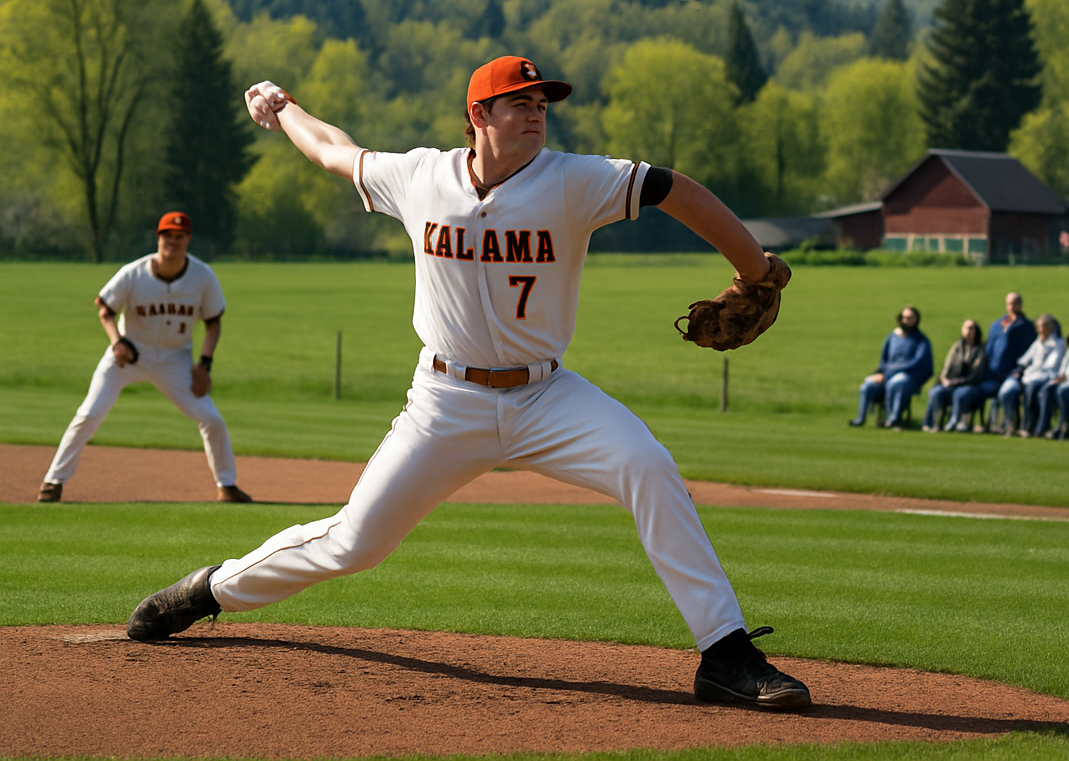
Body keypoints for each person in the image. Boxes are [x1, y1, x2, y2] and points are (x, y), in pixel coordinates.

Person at [124, 56, 811, 711]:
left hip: (548, 396)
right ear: (478, 113)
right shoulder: (422, 177)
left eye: (543, 103)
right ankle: (209, 590)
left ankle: (725, 655)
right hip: (446, 401)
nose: (538, 112)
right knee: (356, 543)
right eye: (521, 102)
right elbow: (337, 151)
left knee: (648, 466)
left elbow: (671, 187)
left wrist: (756, 270)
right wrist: (285, 111)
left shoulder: (576, 179)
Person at [37, 212, 250, 504]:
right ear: (158, 238)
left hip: (175, 360)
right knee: (89, 414)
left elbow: (213, 322)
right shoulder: (134, 273)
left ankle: (227, 486)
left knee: (211, 419)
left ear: (188, 240)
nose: (172, 242)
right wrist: (117, 342)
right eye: (167, 236)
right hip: (129, 355)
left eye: (179, 237)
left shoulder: (203, 276)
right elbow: (105, 309)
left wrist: (204, 365)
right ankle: (53, 482)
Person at [952, 292, 1035, 431]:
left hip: (1013, 374)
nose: (1011, 306)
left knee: (1007, 393)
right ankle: (968, 422)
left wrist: (1019, 372)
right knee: (974, 391)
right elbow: (989, 349)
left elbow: (1029, 353)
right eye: (1008, 303)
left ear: (1020, 304)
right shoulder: (997, 325)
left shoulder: (1026, 327)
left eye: (1014, 303)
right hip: (994, 373)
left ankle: (1008, 425)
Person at [850, 306, 932, 429]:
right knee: (867, 386)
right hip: (887, 375)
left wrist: (891, 372)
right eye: (903, 317)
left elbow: (917, 363)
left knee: (896, 382)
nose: (905, 321)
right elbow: (883, 359)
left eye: (909, 318)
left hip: (908, 377)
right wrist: (880, 373)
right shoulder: (892, 337)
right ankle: (860, 419)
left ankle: (893, 419)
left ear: (916, 320)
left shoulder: (921, 340)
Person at [997, 314, 1064, 436]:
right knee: (1017, 389)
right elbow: (1025, 359)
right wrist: (1020, 371)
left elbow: (1051, 365)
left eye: (1043, 326)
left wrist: (1029, 373)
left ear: (1051, 327)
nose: (1040, 330)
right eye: (1038, 327)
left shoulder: (1058, 343)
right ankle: (1015, 424)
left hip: (1047, 377)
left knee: (1032, 389)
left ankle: (1030, 426)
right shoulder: (1038, 342)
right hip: (1033, 376)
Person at [924, 319, 987, 432]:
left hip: (970, 385)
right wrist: (944, 379)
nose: (968, 331)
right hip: (951, 384)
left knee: (960, 393)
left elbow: (976, 372)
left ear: (976, 331)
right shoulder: (957, 347)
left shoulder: (980, 349)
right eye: (966, 328)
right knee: (936, 392)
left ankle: (954, 422)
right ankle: (931, 423)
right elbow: (947, 367)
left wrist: (957, 382)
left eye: (971, 328)